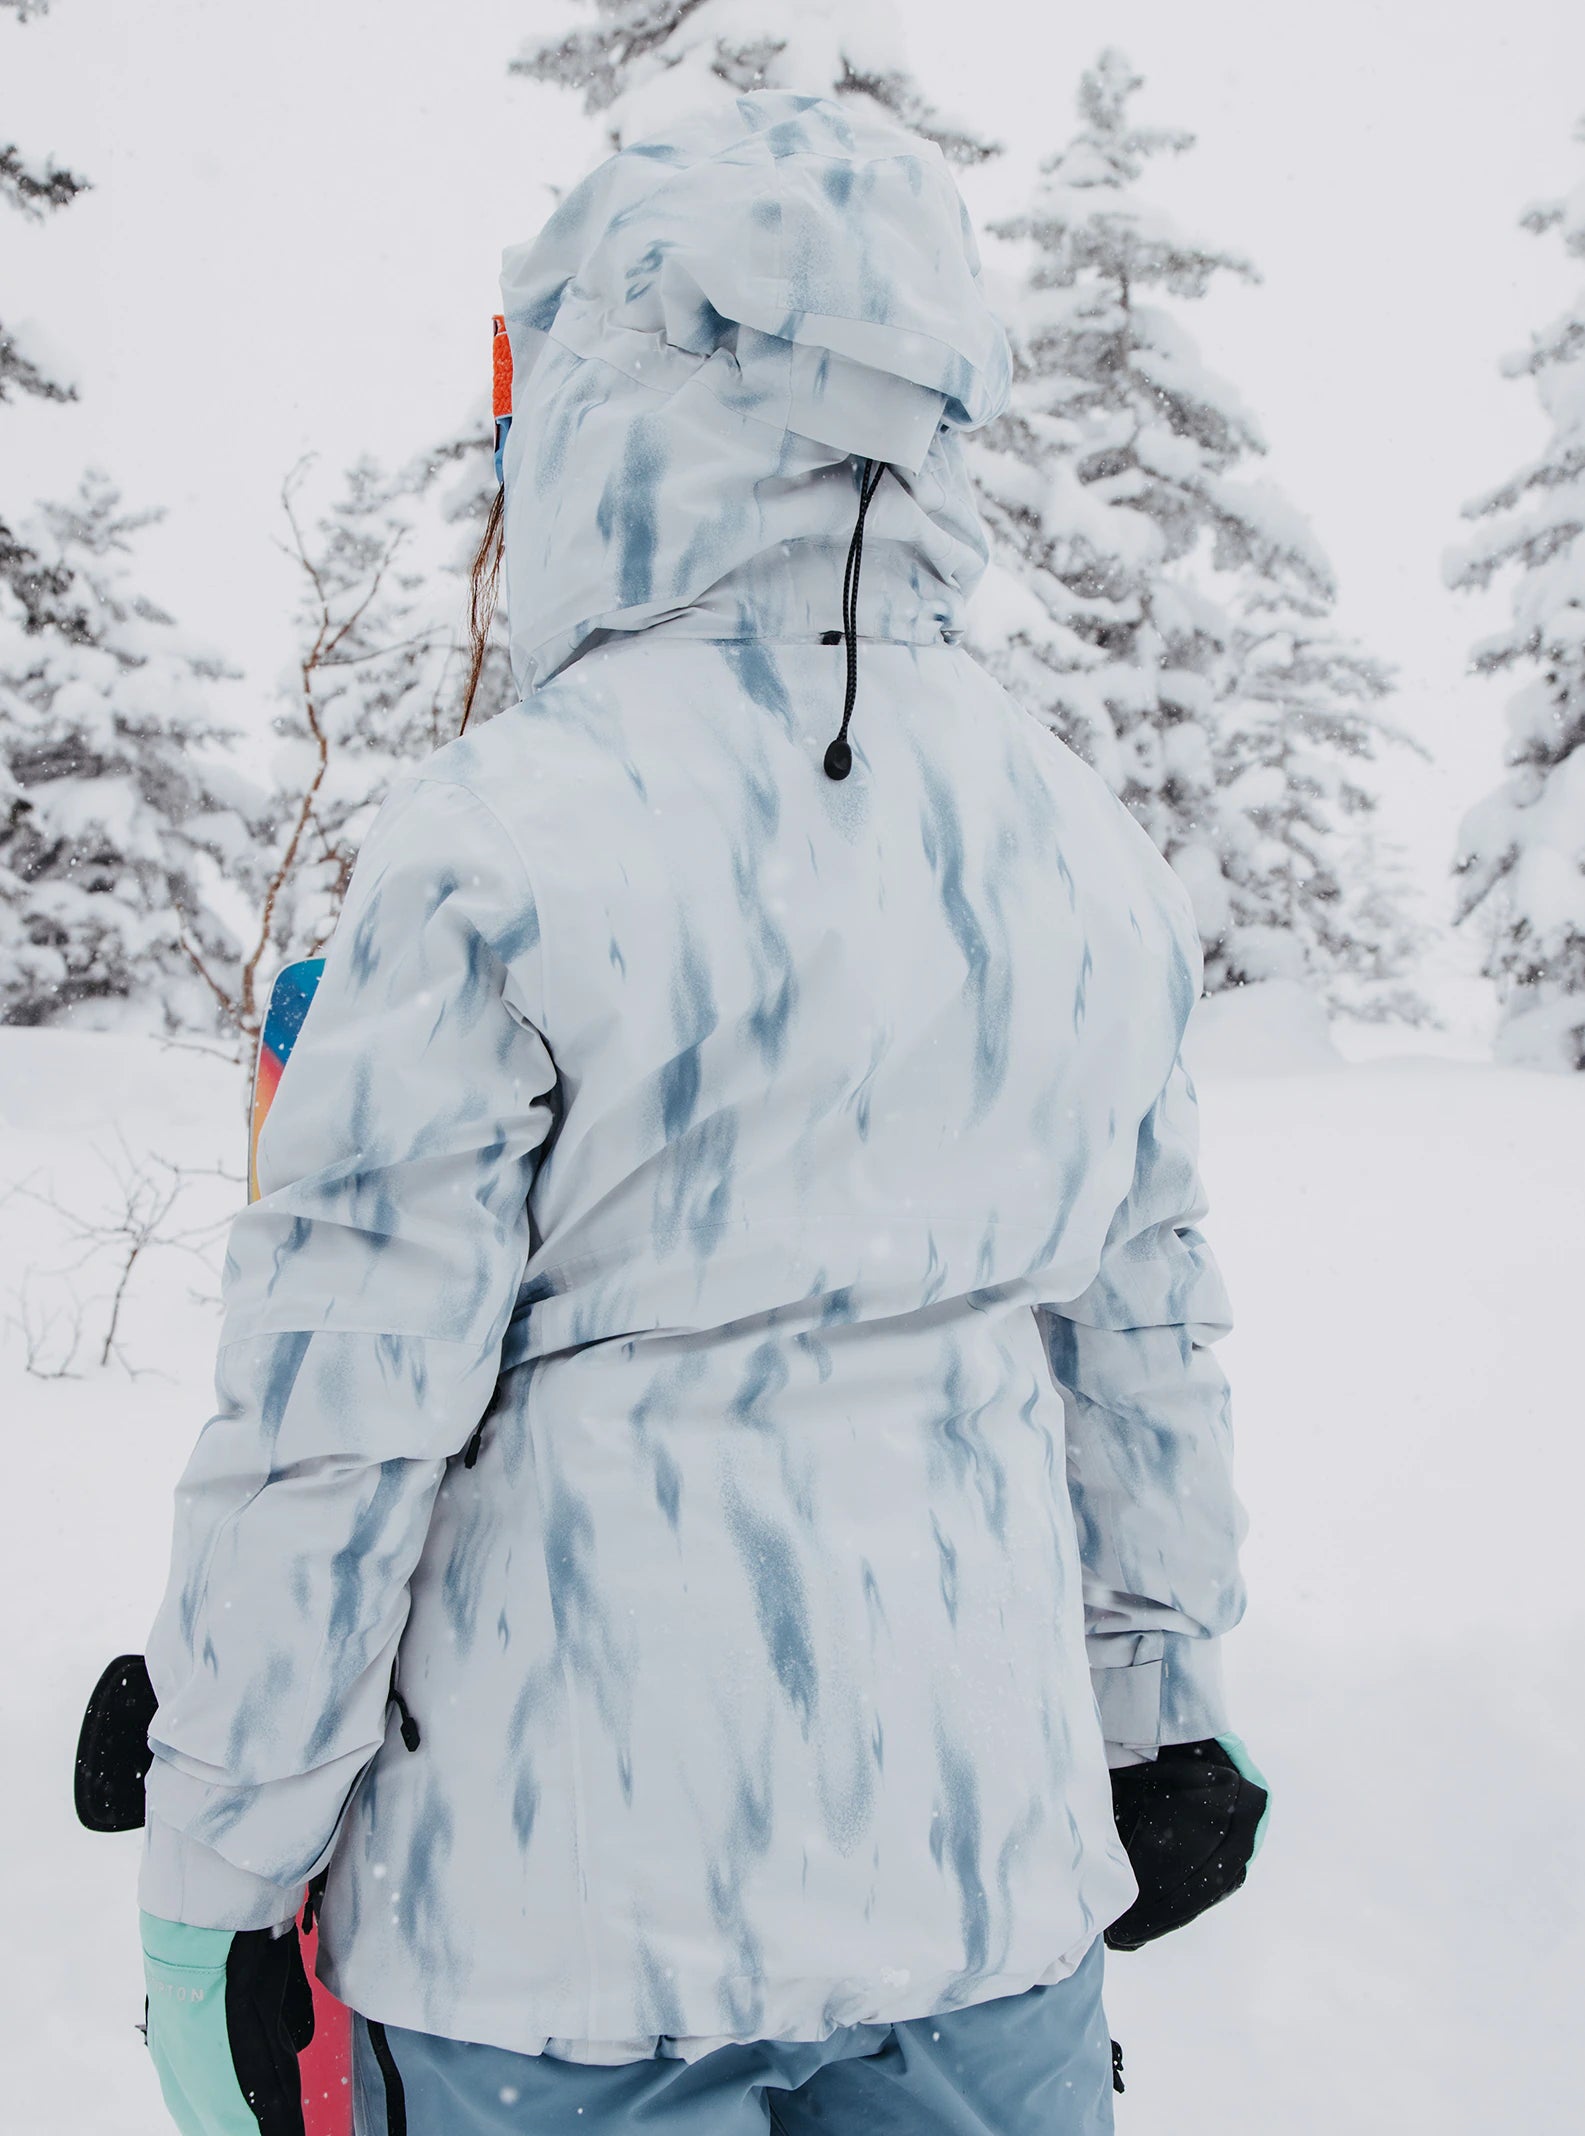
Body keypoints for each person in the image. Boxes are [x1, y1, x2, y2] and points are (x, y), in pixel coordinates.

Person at [135, 88, 1264, 2136]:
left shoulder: (500, 841)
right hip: (981, 1901)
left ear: (607, 393)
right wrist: (1156, 1704)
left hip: (556, 1937)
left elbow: (340, 1413)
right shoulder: (1072, 840)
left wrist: (221, 1855)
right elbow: (1145, 1340)